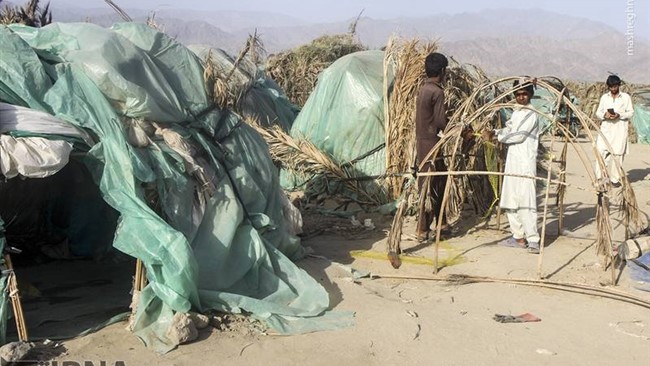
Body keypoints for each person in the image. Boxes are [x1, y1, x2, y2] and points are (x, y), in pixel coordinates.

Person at [482, 79, 541, 253]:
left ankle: (533, 240)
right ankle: (518, 237)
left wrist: (496, 137)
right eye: (518, 94)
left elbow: (519, 136)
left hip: (525, 163)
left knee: (526, 201)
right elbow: (509, 129)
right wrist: (495, 132)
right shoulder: (516, 112)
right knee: (510, 199)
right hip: (513, 162)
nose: (521, 97)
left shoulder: (532, 114)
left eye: (524, 94)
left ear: (530, 95)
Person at [414, 52, 449, 242]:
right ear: (443, 71)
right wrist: (456, 126)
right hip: (432, 143)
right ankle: (423, 228)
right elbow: (440, 121)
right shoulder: (437, 92)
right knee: (431, 185)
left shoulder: (423, 89)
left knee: (432, 182)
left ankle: (440, 223)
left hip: (422, 142)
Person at [594, 75, 634, 188]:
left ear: (618, 85)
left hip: (619, 130)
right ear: (608, 87)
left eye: (615, 86)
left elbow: (630, 112)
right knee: (601, 153)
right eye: (611, 87)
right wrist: (605, 115)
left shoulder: (625, 97)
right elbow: (598, 112)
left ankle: (614, 179)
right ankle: (600, 177)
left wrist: (619, 115)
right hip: (606, 129)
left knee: (617, 155)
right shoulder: (604, 98)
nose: (613, 89)